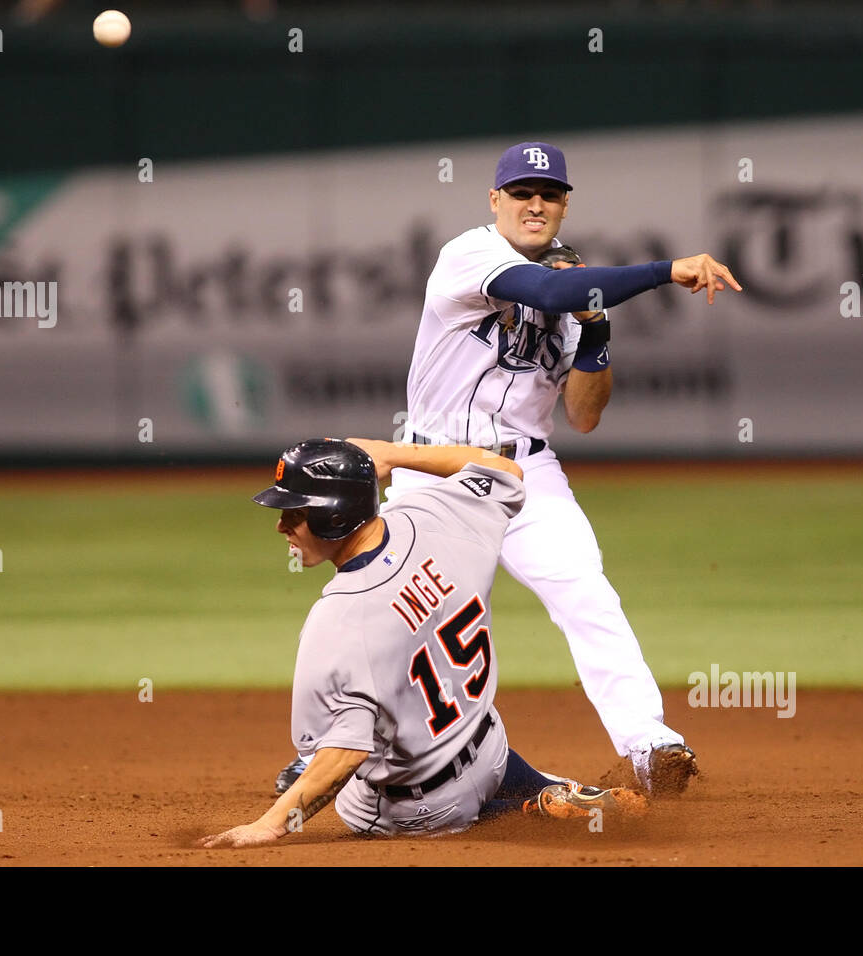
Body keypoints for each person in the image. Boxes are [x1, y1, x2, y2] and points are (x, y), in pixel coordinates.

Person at [277, 142, 741, 799]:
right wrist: (670, 270)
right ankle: (319, 751)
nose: (535, 204)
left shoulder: (581, 293)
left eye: (548, 194)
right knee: (401, 612)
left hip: (526, 474)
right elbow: (548, 288)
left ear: (564, 204)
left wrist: (598, 336)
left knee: (587, 598)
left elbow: (584, 415)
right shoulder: (471, 256)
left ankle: (650, 748)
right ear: (494, 201)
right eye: (521, 193)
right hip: (435, 467)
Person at [198, 438, 645, 848]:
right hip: (491, 749)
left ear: (332, 516)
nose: (281, 527)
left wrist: (270, 824)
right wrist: (392, 453)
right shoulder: (436, 513)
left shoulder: (336, 621)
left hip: (424, 804)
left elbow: (344, 751)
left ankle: (526, 810)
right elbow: (502, 467)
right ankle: (543, 790)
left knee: (355, 802)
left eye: (294, 514)